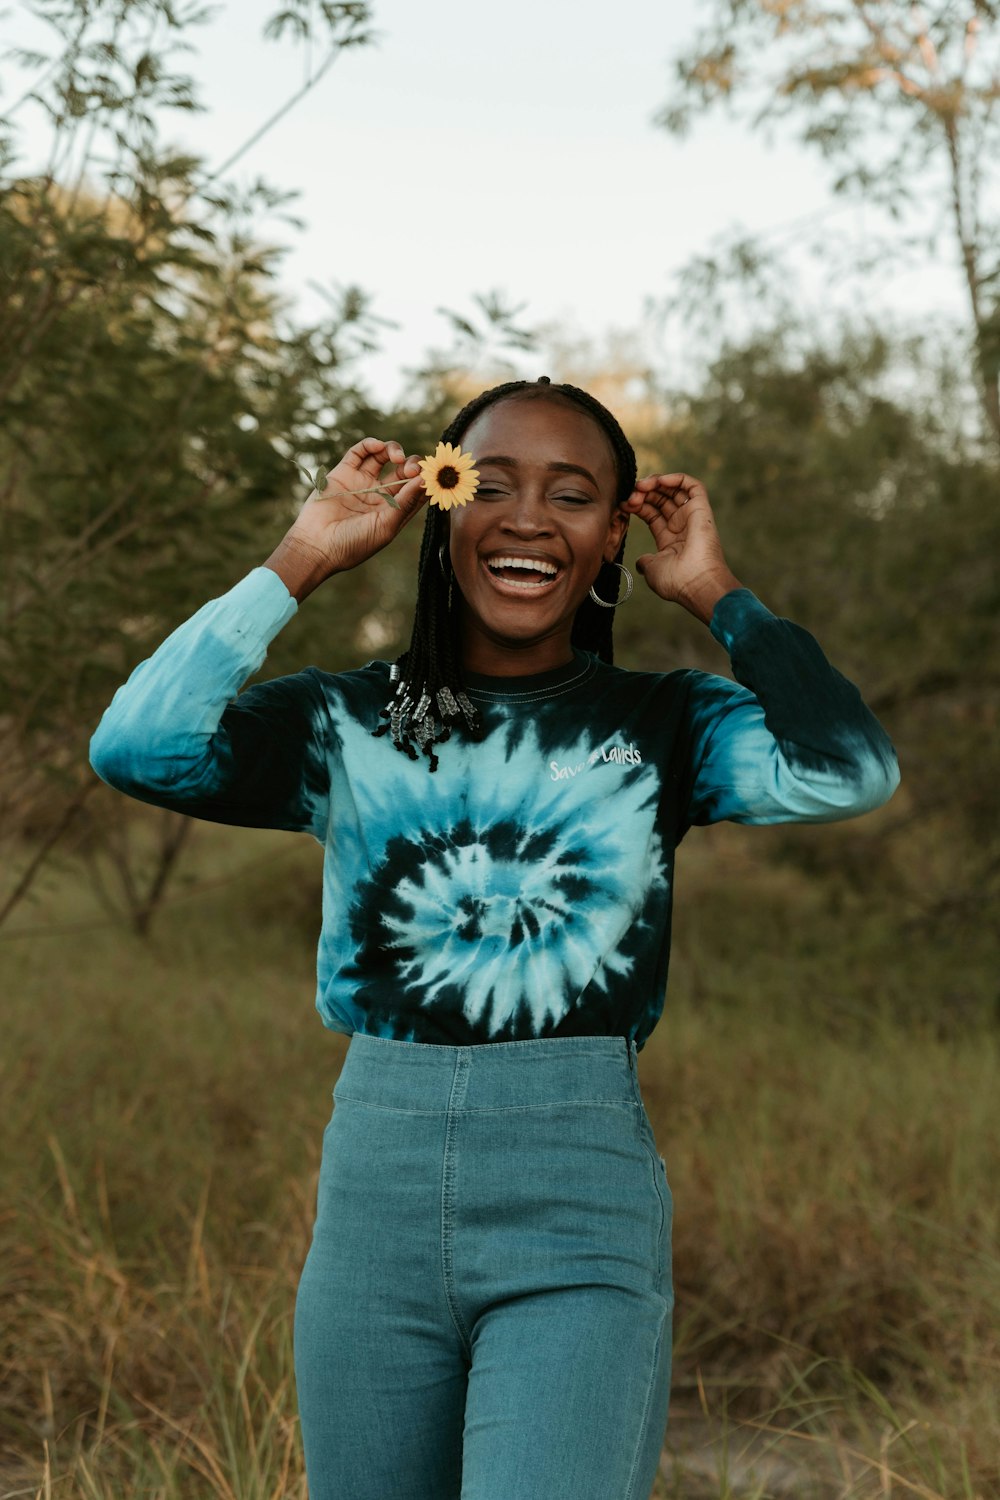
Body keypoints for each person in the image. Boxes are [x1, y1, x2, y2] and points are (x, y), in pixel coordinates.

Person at [89, 375, 901, 1500]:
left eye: (572, 496)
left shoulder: (667, 724)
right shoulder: (346, 721)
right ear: (440, 506)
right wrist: (303, 557)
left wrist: (717, 593)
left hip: (580, 1206)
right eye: (492, 484)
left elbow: (848, 770)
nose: (527, 519)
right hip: (374, 1199)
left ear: (612, 536)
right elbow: (137, 747)